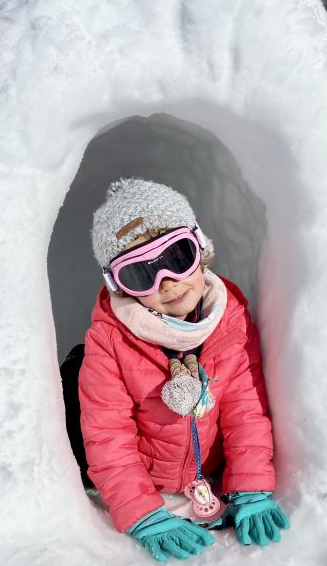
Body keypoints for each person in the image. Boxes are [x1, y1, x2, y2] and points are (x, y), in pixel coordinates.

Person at [78, 177, 290, 563]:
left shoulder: (230, 319)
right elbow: (108, 435)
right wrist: (142, 512)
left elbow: (246, 409)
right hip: (150, 482)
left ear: (201, 251)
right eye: (142, 275)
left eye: (177, 257)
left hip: (208, 476)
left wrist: (249, 484)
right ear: (120, 287)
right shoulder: (110, 342)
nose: (168, 282)